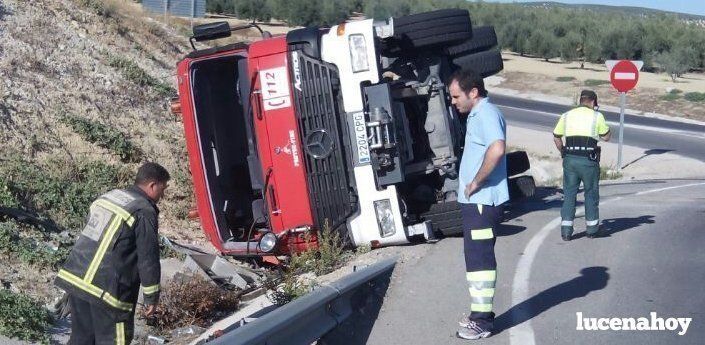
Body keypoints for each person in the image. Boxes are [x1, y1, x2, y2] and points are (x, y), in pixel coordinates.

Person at [55, 162, 170, 344]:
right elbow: (148, 257)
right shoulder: (144, 210)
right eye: (163, 189)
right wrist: (151, 296)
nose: (162, 196)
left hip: (77, 281)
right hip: (109, 293)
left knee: (82, 340)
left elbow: (91, 237)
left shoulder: (109, 197)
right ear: (152, 185)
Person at [448, 68, 509, 340]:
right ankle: (479, 314)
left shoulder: (486, 114)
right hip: (478, 203)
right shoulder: (478, 114)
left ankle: (482, 322)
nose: (453, 101)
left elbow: (497, 148)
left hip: (483, 201)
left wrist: (476, 182)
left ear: (473, 92)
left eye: (456, 96)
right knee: (476, 258)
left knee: (480, 260)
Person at [552, 90, 611, 241]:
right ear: (593, 102)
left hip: (570, 160)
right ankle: (592, 229)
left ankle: (566, 231)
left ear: (581, 101)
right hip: (588, 161)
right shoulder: (597, 116)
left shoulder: (566, 115)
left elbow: (556, 136)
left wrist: (563, 151)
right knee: (590, 194)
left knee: (569, 195)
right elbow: (606, 137)